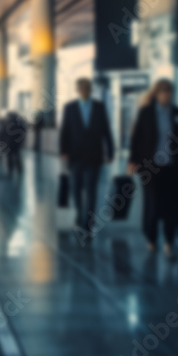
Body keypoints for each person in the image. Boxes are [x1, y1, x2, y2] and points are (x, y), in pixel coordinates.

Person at [128, 78, 178, 259]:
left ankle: (169, 243)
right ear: (157, 94)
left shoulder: (177, 112)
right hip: (150, 166)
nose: (167, 96)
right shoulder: (146, 113)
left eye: (170, 93)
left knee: (171, 206)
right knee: (153, 203)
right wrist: (132, 160)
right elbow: (136, 138)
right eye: (164, 92)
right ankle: (151, 238)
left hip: (172, 167)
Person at [59, 78, 114, 239]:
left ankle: (88, 224)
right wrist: (64, 150)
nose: (83, 91)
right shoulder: (69, 108)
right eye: (80, 89)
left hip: (93, 156)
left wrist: (110, 151)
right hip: (75, 156)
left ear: (90, 90)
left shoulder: (99, 107)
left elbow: (106, 130)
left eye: (86, 89)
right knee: (75, 189)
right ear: (77, 90)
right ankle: (78, 213)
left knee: (91, 191)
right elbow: (65, 130)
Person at [3, 111, 25, 176]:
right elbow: (23, 132)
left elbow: (3, 133)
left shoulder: (8, 123)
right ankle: (19, 169)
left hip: (9, 142)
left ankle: (10, 170)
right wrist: (21, 141)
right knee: (17, 156)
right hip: (16, 143)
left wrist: (3, 140)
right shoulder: (19, 123)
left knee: (10, 157)